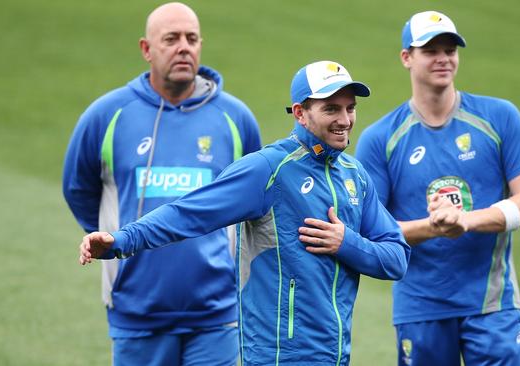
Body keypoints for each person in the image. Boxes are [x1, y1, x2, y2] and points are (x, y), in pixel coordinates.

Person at [78, 60, 411, 365]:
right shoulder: (267, 171)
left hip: (335, 355)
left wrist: (346, 243)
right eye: (331, 109)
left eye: (350, 108)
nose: (345, 120)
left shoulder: (355, 176)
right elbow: (187, 213)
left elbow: (396, 257)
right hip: (277, 356)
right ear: (300, 112)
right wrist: (122, 239)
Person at [62, 3, 261, 365]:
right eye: (171, 39)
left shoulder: (235, 118)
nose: (183, 47)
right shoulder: (107, 116)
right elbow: (78, 190)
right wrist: (110, 237)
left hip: (218, 313)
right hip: (136, 311)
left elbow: (255, 199)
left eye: (192, 38)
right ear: (146, 49)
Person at [355, 11, 520, 366]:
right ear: (406, 58)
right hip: (420, 307)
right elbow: (371, 232)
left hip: (492, 304)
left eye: (450, 49)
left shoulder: (500, 117)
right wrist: (434, 227)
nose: (443, 58)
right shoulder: (380, 139)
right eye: (430, 50)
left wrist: (467, 221)